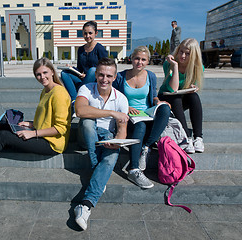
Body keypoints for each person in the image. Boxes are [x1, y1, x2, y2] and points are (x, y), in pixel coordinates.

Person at [73, 58, 129, 230]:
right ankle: (97, 169)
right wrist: (112, 113)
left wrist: (117, 143)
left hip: (107, 138)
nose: (104, 79)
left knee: (111, 157)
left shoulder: (121, 99)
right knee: (88, 122)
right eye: (101, 75)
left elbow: (122, 130)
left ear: (115, 77)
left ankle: (85, 205)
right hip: (86, 136)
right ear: (96, 75)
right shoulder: (86, 89)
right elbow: (80, 110)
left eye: (109, 76)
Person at [113, 46, 171, 189]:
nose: (139, 62)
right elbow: (113, 97)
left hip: (147, 113)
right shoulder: (121, 76)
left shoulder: (150, 76)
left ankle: (146, 147)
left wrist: (158, 102)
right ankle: (133, 169)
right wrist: (125, 107)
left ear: (147, 61)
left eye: (143, 59)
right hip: (130, 117)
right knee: (141, 126)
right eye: (137, 58)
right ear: (131, 59)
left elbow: (153, 96)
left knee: (165, 108)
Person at [158, 38, 204, 154]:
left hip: (181, 98)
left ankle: (198, 138)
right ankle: (186, 138)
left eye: (187, 53)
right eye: (181, 52)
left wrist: (194, 87)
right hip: (166, 98)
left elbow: (193, 85)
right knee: (176, 97)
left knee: (194, 97)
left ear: (194, 55)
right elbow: (173, 89)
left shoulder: (198, 68)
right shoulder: (168, 64)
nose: (182, 56)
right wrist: (175, 66)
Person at [61, 21, 108, 102]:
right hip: (83, 79)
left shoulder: (100, 49)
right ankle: (74, 99)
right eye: (85, 33)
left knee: (93, 70)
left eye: (90, 33)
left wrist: (89, 74)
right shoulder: (81, 49)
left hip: (95, 80)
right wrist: (71, 68)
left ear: (96, 33)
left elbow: (105, 68)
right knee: (64, 73)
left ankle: (78, 95)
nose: (87, 36)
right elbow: (80, 68)